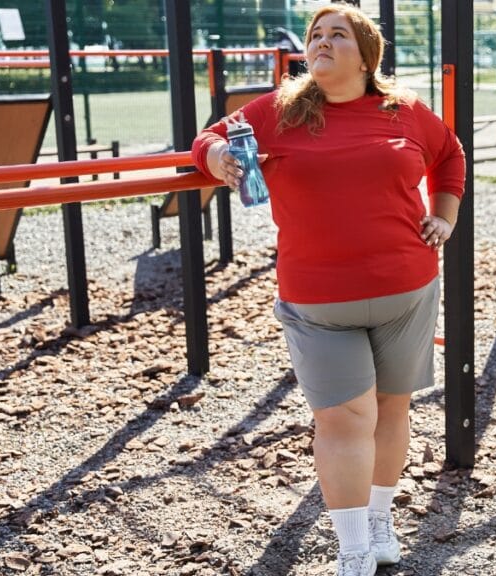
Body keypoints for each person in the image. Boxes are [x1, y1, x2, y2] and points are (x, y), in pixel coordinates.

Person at [191, 3, 465, 575]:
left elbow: (449, 156)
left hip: (407, 288)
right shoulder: (277, 111)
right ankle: (353, 550)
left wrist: (445, 214)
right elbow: (210, 140)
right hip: (318, 300)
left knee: (392, 409)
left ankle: (380, 524)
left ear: (367, 58)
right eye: (316, 34)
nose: (321, 42)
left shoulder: (406, 110)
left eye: (337, 34)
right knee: (344, 420)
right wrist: (216, 156)